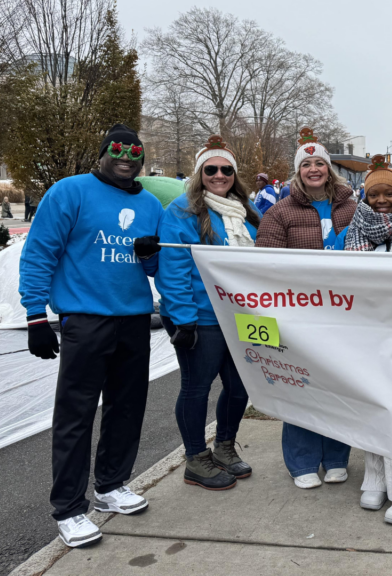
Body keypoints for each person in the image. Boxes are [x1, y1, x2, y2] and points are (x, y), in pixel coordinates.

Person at [19, 124, 163, 548]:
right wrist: (34, 316)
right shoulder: (69, 192)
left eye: (134, 153)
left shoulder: (151, 203)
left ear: (141, 159)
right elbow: (40, 252)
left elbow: (153, 270)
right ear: (102, 154)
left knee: (127, 407)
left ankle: (110, 486)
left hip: (135, 318)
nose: (126, 158)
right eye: (117, 151)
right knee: (75, 416)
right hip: (86, 319)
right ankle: (68, 509)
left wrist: (150, 256)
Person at [149, 135, 259, 491]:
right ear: (199, 174)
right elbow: (174, 269)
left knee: (242, 385)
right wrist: (183, 318)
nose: (219, 175)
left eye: (226, 169)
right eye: (210, 169)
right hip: (202, 316)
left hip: (243, 316)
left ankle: (224, 446)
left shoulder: (246, 213)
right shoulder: (182, 211)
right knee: (197, 388)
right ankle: (196, 458)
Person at [330, 155, 392, 525]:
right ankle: (375, 478)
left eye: (390, 192)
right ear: (366, 197)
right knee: (371, 404)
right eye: (376, 194)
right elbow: (332, 276)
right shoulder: (351, 229)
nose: (383, 200)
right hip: (364, 330)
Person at [256, 127, 355, 488]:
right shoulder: (280, 212)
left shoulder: (351, 206)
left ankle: (337, 457)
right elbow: (265, 265)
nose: (314, 169)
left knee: (339, 385)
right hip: (300, 314)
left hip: (343, 314)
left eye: (320, 163)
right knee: (300, 386)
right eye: (307, 164)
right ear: (298, 171)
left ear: (329, 169)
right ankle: (302, 462)